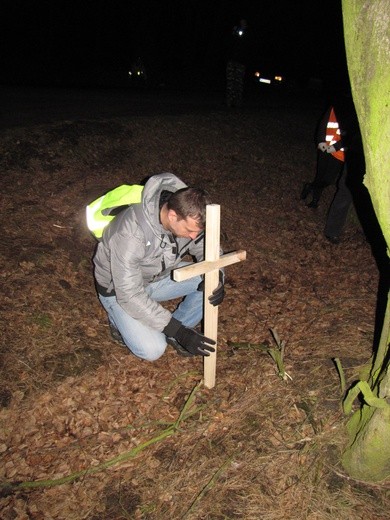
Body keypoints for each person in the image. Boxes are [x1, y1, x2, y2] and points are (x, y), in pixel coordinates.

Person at [92, 173, 225, 361]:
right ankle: (117, 321)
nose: (194, 237)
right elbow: (129, 295)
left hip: (158, 276)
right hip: (119, 292)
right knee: (153, 349)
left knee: (210, 275)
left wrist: (216, 276)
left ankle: (179, 329)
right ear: (172, 216)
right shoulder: (130, 233)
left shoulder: (186, 215)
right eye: (189, 231)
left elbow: (209, 251)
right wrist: (177, 330)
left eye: (198, 232)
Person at [301, 105, 346, 208]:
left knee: (328, 180)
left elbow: (351, 133)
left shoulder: (352, 113)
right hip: (325, 148)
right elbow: (323, 124)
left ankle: (310, 187)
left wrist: (336, 146)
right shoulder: (332, 108)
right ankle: (315, 201)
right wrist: (321, 140)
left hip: (339, 153)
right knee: (320, 176)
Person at [226, 18, 251, 108]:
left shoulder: (247, 33)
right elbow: (230, 43)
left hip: (241, 61)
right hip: (232, 60)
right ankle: (229, 101)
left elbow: (247, 46)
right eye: (241, 22)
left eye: (244, 22)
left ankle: (237, 102)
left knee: (238, 82)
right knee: (230, 82)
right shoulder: (235, 32)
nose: (242, 23)